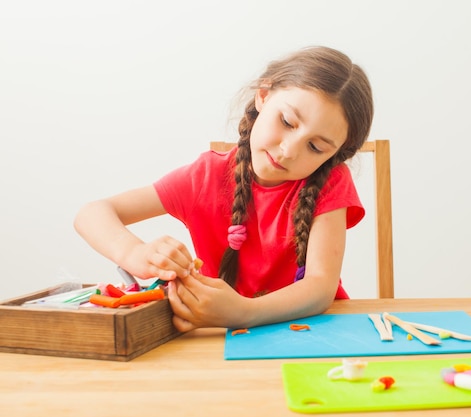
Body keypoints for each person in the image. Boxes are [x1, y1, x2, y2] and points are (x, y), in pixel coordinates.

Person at [74, 46, 374, 332]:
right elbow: (91, 214)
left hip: (314, 337)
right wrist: (135, 253)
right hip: (219, 344)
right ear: (263, 96)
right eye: (287, 122)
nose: (288, 151)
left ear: (334, 154)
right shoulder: (206, 177)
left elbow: (320, 287)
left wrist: (244, 311)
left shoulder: (331, 181)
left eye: (315, 146)